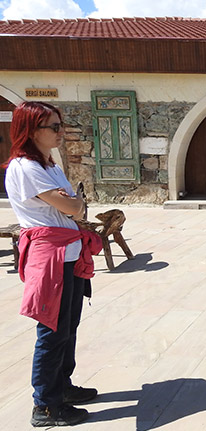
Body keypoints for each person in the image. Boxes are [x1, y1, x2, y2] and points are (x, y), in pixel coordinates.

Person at [2, 101, 102, 427]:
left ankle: (63, 387)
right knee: (52, 330)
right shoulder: (25, 168)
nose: (61, 132)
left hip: (68, 252)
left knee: (68, 327)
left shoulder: (50, 165)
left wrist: (74, 205)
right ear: (31, 130)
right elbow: (73, 207)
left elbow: (75, 206)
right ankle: (45, 404)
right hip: (49, 257)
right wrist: (74, 204)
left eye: (60, 125)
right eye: (53, 127)